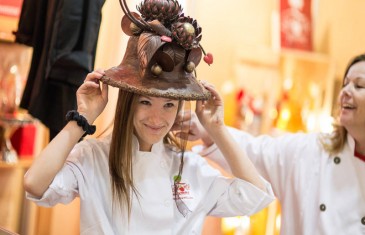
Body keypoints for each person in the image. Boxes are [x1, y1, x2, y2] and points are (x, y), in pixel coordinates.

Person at [23, 0, 274, 234]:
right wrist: (82, 118)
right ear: (127, 102)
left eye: (169, 104)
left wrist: (217, 128)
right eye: (145, 101)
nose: (157, 117)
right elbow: (35, 184)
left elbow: (256, 195)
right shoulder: (93, 157)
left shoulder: (191, 169)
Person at [182, 53, 365, 234]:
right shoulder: (311, 150)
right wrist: (210, 130)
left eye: (359, 85)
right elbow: (255, 152)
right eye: (345, 83)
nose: (346, 91)